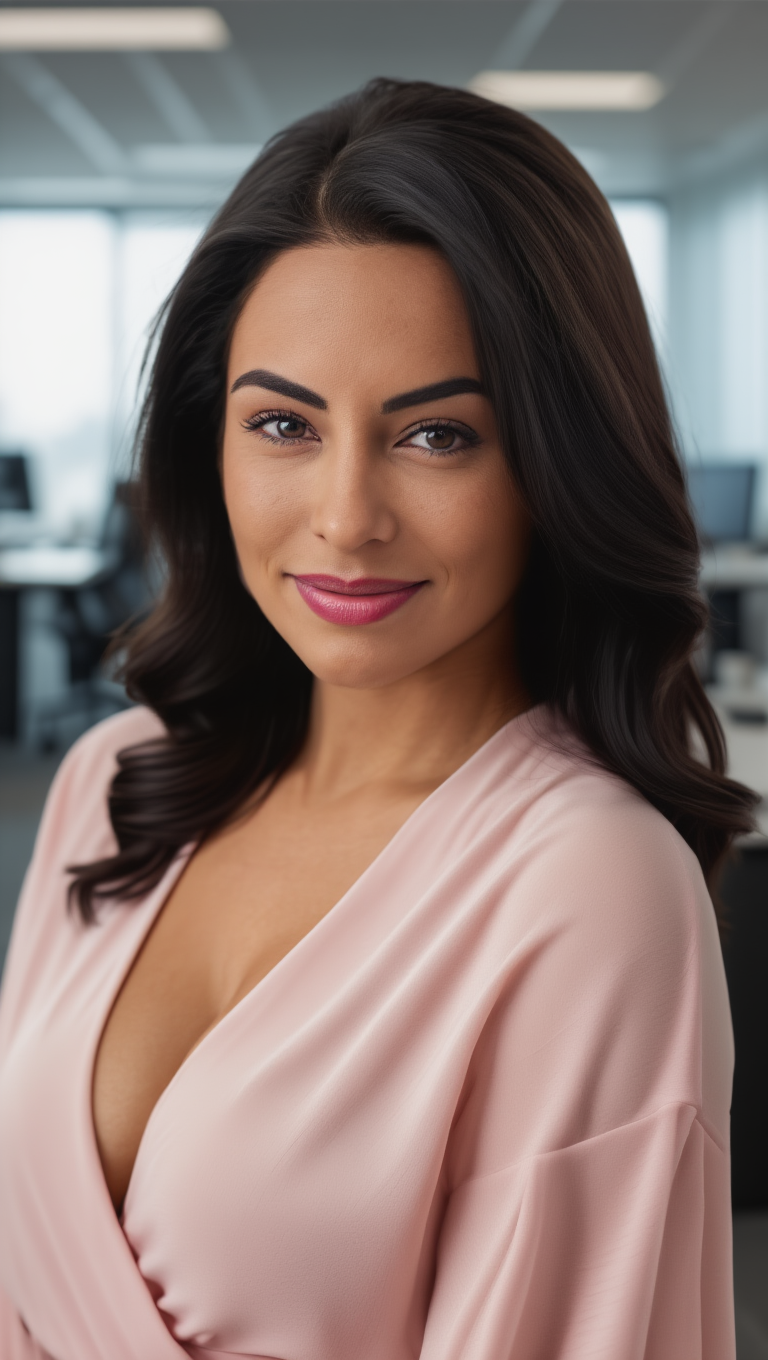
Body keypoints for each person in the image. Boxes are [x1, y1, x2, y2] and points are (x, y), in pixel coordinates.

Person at [0, 79, 755, 1360]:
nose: (347, 516)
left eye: (439, 435)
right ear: (211, 443)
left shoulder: (589, 885)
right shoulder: (118, 780)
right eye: (285, 424)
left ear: (554, 464)